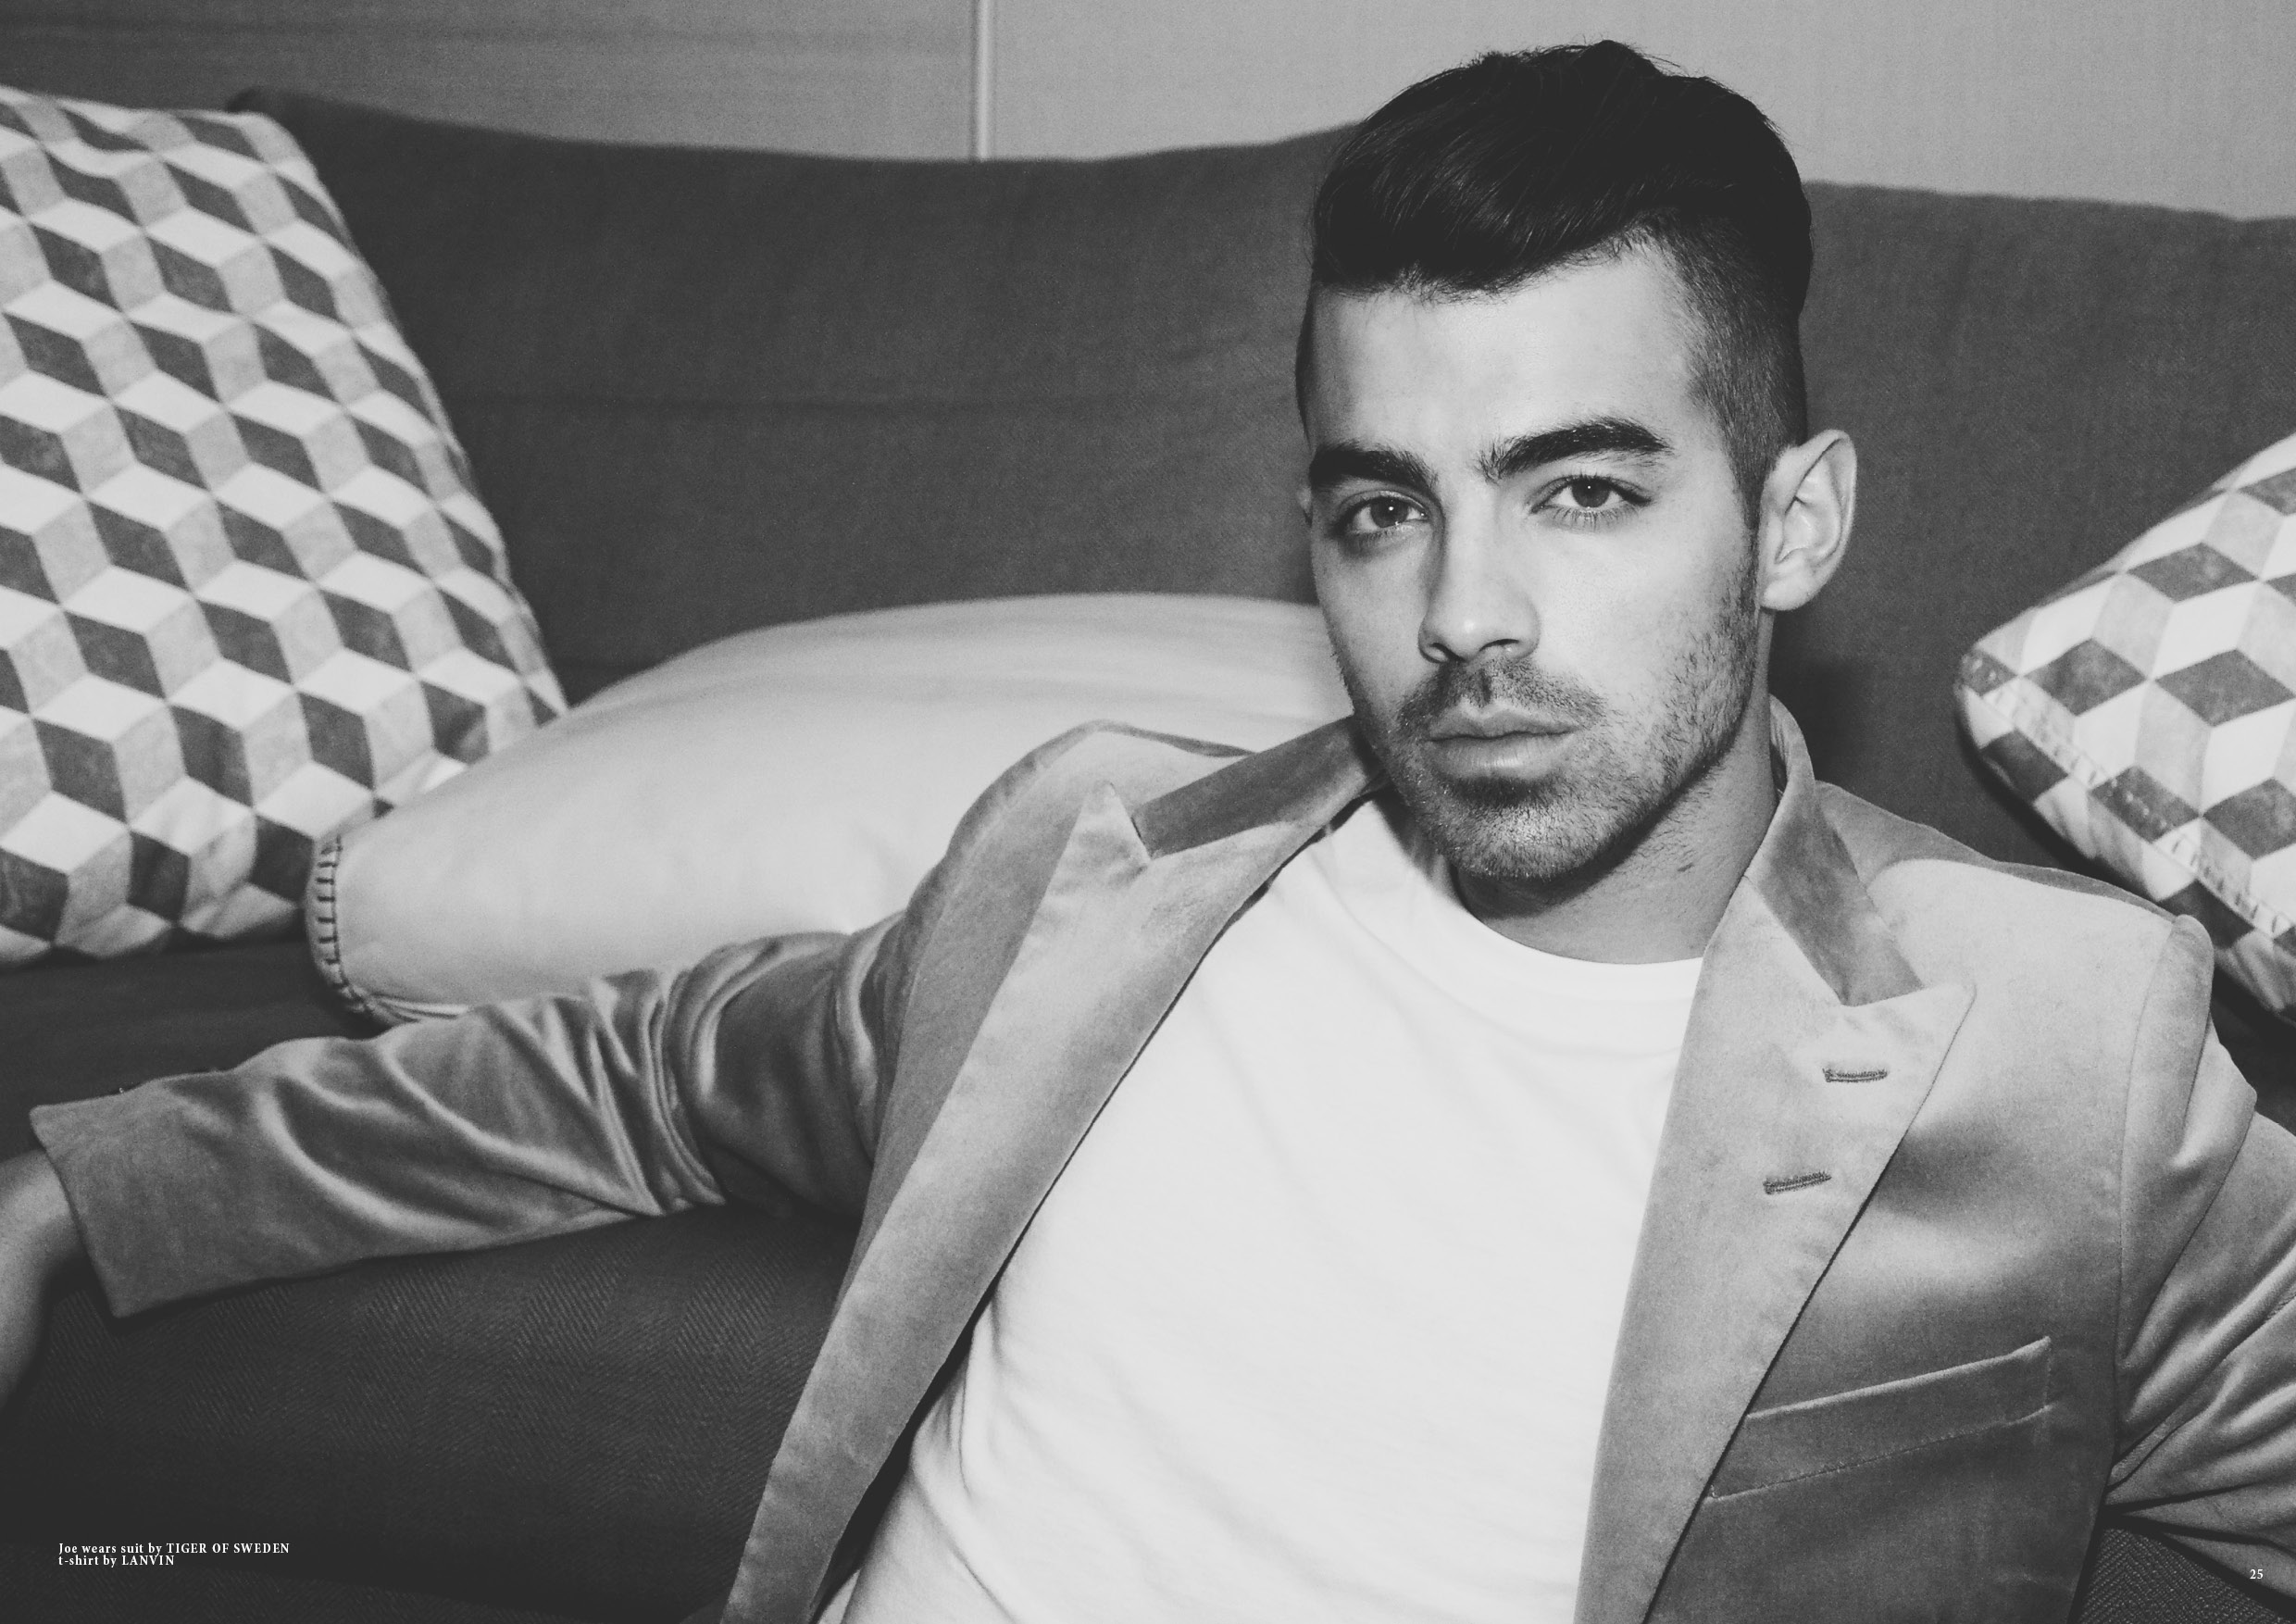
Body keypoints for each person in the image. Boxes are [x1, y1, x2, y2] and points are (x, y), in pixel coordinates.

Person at [5, 39, 2296, 1624]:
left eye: (1583, 491)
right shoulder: (1097, 865)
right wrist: (77, 1185)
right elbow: (637, 1072)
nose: (1463, 616)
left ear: (1793, 522)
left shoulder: (2049, 1040)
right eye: (1380, 508)